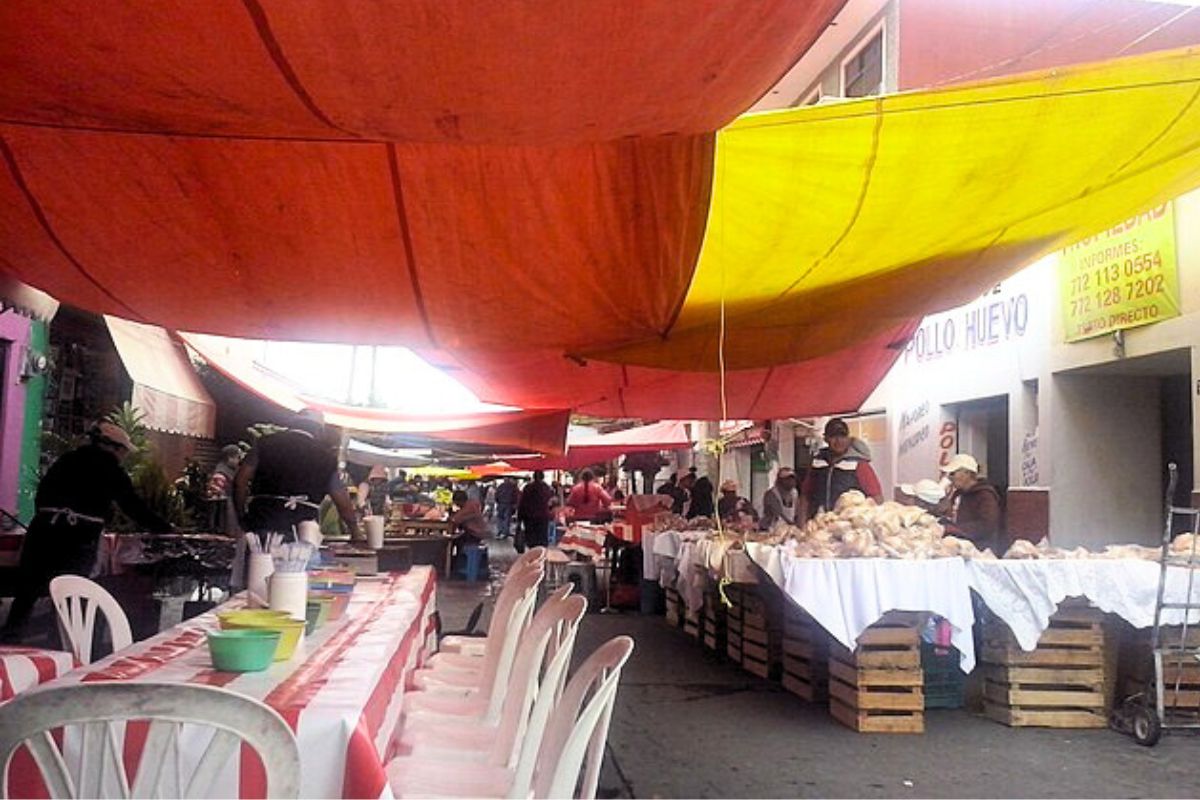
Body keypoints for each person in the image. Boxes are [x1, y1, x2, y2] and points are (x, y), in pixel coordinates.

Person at [2, 422, 173, 643]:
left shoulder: (66, 460)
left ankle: (8, 648)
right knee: (68, 595)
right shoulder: (112, 470)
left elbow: (42, 495)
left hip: (42, 531)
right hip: (78, 538)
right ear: (113, 448)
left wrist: (49, 520)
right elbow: (133, 507)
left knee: (27, 593)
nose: (123, 456)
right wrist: (165, 529)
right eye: (122, 451)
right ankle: (62, 648)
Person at [234, 410, 358, 541]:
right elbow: (341, 498)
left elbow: (239, 481)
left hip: (261, 521)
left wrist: (241, 515)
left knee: (258, 559)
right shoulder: (326, 457)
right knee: (299, 560)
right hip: (302, 531)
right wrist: (355, 531)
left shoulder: (264, 443)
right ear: (319, 430)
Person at [799, 417, 884, 522]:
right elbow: (805, 496)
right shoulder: (817, 463)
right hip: (819, 526)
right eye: (833, 436)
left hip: (847, 529)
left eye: (843, 436)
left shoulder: (859, 464)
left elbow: (877, 498)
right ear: (825, 439)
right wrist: (801, 524)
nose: (838, 440)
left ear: (848, 438)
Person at [940, 454, 1003, 553]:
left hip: (980, 550)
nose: (951, 478)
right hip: (958, 548)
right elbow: (950, 516)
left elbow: (987, 526)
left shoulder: (985, 495)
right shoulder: (957, 495)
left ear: (967, 473)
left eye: (953, 473)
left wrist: (955, 530)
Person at [206, 444, 243, 533]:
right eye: (237, 457)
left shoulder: (232, 470)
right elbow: (215, 501)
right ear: (229, 458)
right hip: (225, 512)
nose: (238, 461)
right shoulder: (221, 474)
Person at [517, 470, 554, 551]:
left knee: (531, 539)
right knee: (542, 538)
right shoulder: (547, 488)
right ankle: (541, 556)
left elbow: (522, 503)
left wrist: (519, 517)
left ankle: (532, 554)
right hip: (543, 516)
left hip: (529, 517)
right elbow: (550, 503)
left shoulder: (528, 487)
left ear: (533, 477)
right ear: (543, 477)